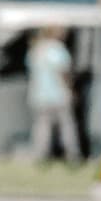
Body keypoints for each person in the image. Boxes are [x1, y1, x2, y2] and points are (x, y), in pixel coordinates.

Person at [26, 27, 79, 162]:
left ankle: (40, 154)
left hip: (39, 95)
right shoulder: (58, 49)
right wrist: (71, 90)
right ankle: (72, 154)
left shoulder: (36, 50)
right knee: (66, 125)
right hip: (59, 94)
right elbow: (63, 73)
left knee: (42, 126)